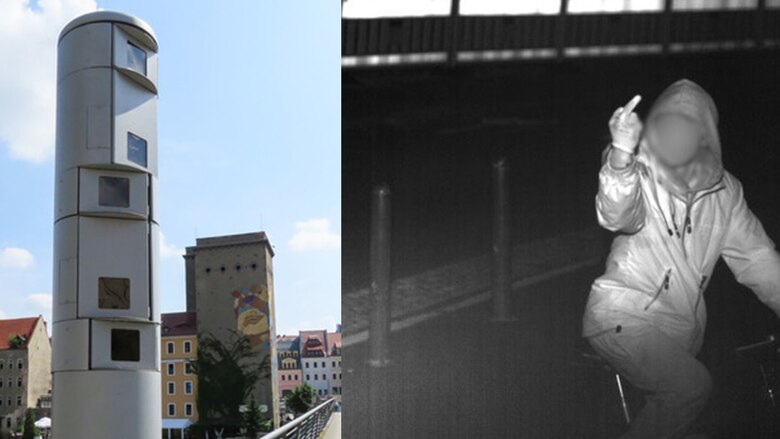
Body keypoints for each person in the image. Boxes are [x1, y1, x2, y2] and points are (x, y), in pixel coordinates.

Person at [581, 79, 780, 439]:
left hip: (681, 334)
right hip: (622, 314)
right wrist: (621, 153)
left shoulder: (726, 192)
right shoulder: (638, 168)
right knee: (690, 389)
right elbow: (616, 213)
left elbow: (760, 262)